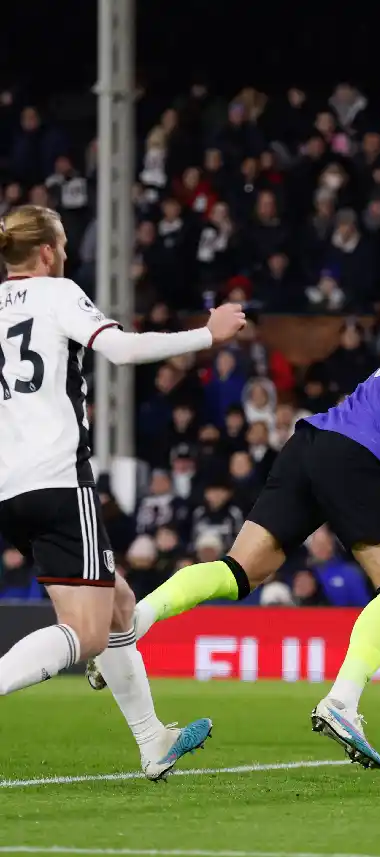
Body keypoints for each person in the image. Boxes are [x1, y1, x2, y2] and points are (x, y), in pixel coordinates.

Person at [132, 300, 380, 768]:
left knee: (240, 571)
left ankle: (133, 623)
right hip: (351, 457)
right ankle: (342, 702)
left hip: (311, 445)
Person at [0, 204, 245, 779]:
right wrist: (207, 335)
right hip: (59, 480)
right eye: (60, 245)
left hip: (10, 486)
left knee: (118, 605)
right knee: (86, 635)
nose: (64, 254)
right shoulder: (56, 291)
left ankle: (152, 742)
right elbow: (122, 350)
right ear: (45, 251)